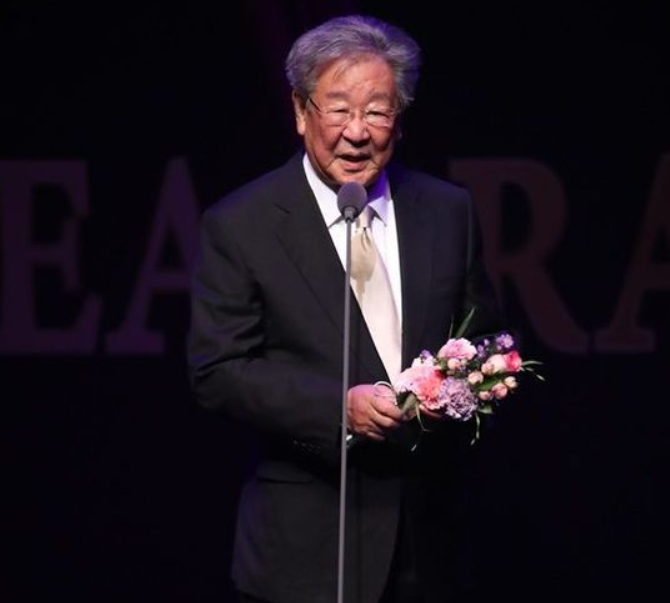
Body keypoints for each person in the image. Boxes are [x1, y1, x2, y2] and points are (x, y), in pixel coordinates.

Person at [188, 14, 500, 603]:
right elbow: (218, 371)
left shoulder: (447, 210)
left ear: (399, 120)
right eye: (338, 110)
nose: (356, 133)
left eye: (377, 112)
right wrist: (339, 408)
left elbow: (484, 341)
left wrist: (456, 390)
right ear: (300, 111)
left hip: (428, 539)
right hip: (307, 546)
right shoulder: (243, 224)